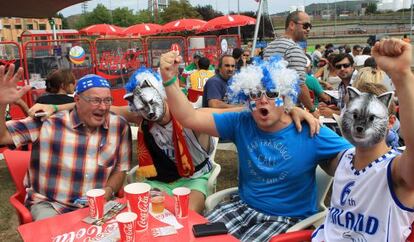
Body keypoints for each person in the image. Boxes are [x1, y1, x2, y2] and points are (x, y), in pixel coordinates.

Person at [160, 51, 352, 241]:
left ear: (285, 96)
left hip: (285, 220)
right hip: (241, 208)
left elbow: (355, 162)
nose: (262, 100)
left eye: (271, 93)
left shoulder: (309, 130)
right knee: (193, 237)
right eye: (254, 94)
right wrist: (169, 80)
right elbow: (189, 117)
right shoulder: (242, 121)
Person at [312, 38, 414, 241]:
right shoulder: (342, 159)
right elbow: (311, 142)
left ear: (390, 121)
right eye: (354, 115)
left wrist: (403, 77)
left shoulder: (395, 171)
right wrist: (298, 114)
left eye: (372, 117)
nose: (360, 125)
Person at [0, 70, 132, 221]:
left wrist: (107, 192)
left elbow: (120, 169)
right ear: (77, 99)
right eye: (95, 100)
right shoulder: (47, 122)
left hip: (98, 205)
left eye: (108, 100)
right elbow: (3, 137)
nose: (103, 107)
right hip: (51, 205)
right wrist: (1, 104)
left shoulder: (119, 126)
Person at [264, 10, 317, 118]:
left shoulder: (269, 46)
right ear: (292, 25)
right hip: (287, 111)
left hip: (269, 107)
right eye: (305, 25)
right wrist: (312, 110)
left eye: (310, 26)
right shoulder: (294, 48)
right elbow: (300, 85)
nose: (308, 29)